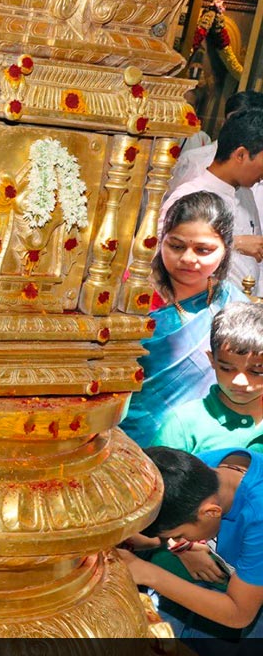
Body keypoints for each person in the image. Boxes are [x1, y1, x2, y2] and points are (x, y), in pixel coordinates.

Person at [119, 447, 263, 656]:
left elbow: (239, 612)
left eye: (180, 535)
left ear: (211, 512)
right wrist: (181, 546)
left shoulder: (258, 516)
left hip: (249, 599)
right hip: (244, 576)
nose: (175, 541)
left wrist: (146, 572)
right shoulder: (197, 471)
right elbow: (160, 533)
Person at [120, 192, 246, 446]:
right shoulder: (130, 294)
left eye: (203, 250)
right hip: (129, 435)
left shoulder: (232, 304)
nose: (188, 258)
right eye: (176, 246)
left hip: (203, 441)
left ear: (225, 250)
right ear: (161, 241)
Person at [161, 108, 263, 290]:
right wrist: (235, 243)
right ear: (240, 155)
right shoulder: (191, 193)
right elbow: (164, 250)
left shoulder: (245, 193)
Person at [149, 302, 263, 455]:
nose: (240, 381)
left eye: (256, 372)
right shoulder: (183, 425)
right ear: (212, 360)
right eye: (227, 369)